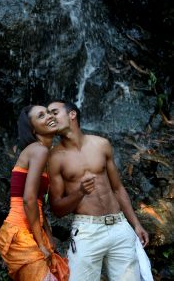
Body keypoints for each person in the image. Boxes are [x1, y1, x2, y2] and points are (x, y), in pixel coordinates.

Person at [47, 100, 149, 281]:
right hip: (87, 231)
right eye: (47, 114)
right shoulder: (55, 158)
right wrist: (79, 192)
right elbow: (56, 209)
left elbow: (118, 188)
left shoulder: (101, 144)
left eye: (54, 112)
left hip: (119, 227)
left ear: (72, 114)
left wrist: (136, 224)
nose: (50, 118)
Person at [0, 105, 69, 281]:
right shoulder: (39, 150)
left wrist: (48, 237)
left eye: (50, 112)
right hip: (20, 232)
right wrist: (41, 244)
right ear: (33, 129)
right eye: (41, 115)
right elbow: (28, 200)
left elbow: (38, 203)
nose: (49, 116)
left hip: (28, 231)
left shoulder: (43, 153)